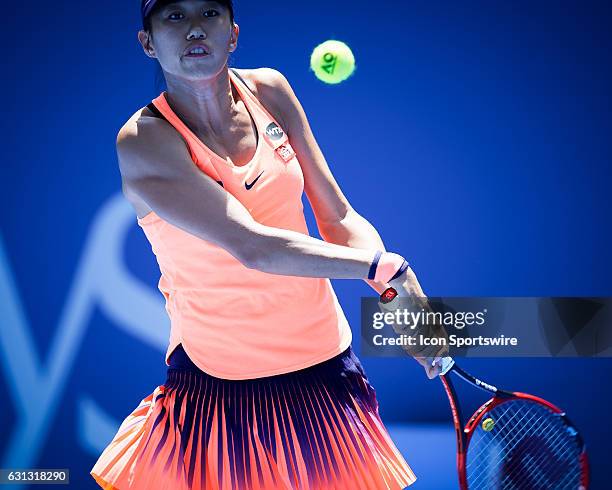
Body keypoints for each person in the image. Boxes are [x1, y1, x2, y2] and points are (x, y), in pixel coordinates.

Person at [90, 1, 447, 488]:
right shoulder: (143, 141)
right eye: (174, 16)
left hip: (326, 368)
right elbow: (252, 247)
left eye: (209, 13)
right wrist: (386, 269)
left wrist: (402, 309)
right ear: (147, 42)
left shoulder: (270, 90)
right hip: (221, 387)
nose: (195, 27)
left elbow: (338, 215)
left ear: (232, 34)